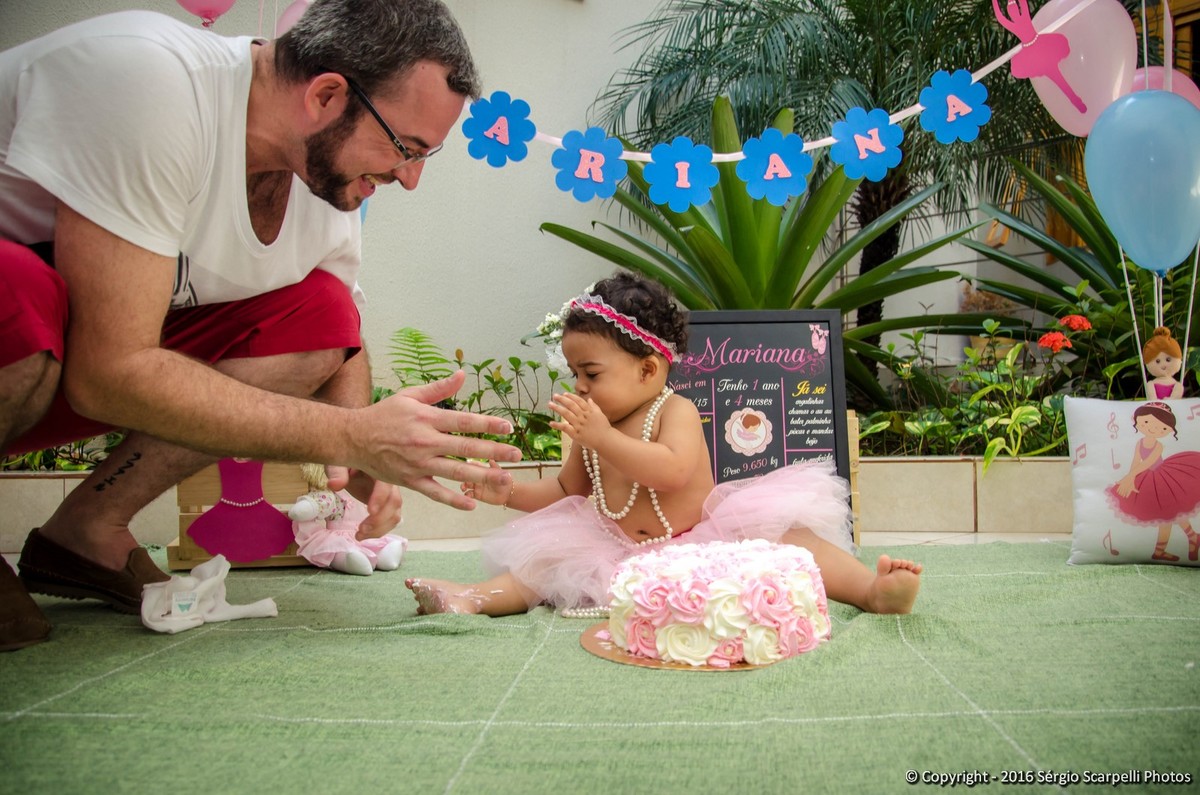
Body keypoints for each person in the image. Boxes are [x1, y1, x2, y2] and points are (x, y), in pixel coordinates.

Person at [0, 0, 521, 652]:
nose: (410, 179)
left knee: (321, 312)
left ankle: (87, 531)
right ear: (326, 96)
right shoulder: (147, 78)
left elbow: (338, 338)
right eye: (405, 148)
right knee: (17, 290)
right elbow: (108, 372)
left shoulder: (322, 181)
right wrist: (354, 435)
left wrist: (359, 463)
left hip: (59, 365)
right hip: (31, 344)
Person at [405, 272, 923, 617]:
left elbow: (672, 471)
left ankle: (870, 591)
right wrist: (508, 493)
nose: (579, 386)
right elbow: (568, 491)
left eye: (591, 373)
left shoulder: (674, 411)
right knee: (543, 566)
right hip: (616, 549)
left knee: (791, 539)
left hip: (701, 541)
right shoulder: (595, 426)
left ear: (649, 370)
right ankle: (472, 598)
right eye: (574, 373)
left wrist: (602, 437)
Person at [1107, 401, 1200, 562]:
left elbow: (1147, 463)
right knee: (1172, 513)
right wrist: (1129, 477)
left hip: (1163, 478)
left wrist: (1131, 476)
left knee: (1167, 515)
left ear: (1168, 430)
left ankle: (1163, 549)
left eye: (1162, 428)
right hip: (1147, 477)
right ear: (1137, 421)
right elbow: (1136, 461)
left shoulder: (1158, 445)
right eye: (1146, 422)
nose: (1152, 428)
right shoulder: (1140, 442)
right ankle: (1192, 538)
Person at [1142, 327, 1186, 400]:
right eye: (1157, 361)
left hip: (1172, 406)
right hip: (1156, 406)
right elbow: (1152, 398)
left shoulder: (1177, 385)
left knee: (1179, 387)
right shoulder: (1151, 384)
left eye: (1168, 360)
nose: (1163, 365)